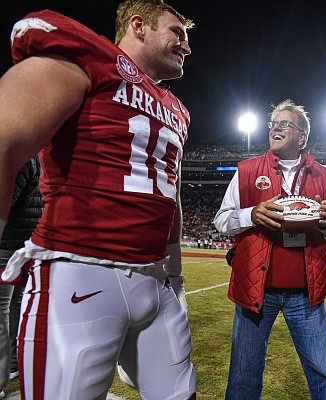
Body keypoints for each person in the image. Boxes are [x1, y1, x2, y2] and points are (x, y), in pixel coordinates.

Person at [0, 1, 196, 399]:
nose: (186, 46)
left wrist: (174, 275)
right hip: (80, 272)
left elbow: (169, 194)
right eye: (178, 32)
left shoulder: (177, 109)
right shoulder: (89, 56)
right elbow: (4, 142)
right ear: (139, 27)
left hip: (156, 282)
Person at [213, 99, 326, 400]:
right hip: (256, 291)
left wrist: (325, 222)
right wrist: (252, 214)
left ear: (302, 136)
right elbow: (221, 220)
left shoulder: (323, 175)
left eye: (285, 124)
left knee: (325, 373)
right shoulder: (247, 170)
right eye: (273, 124)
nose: (276, 128)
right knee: (244, 376)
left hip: (305, 292)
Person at [0, 156, 42, 397]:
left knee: (2, 307)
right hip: (27, 242)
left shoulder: (22, 155)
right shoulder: (42, 155)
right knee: (17, 305)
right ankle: (15, 363)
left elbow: (9, 197)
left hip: (8, 244)